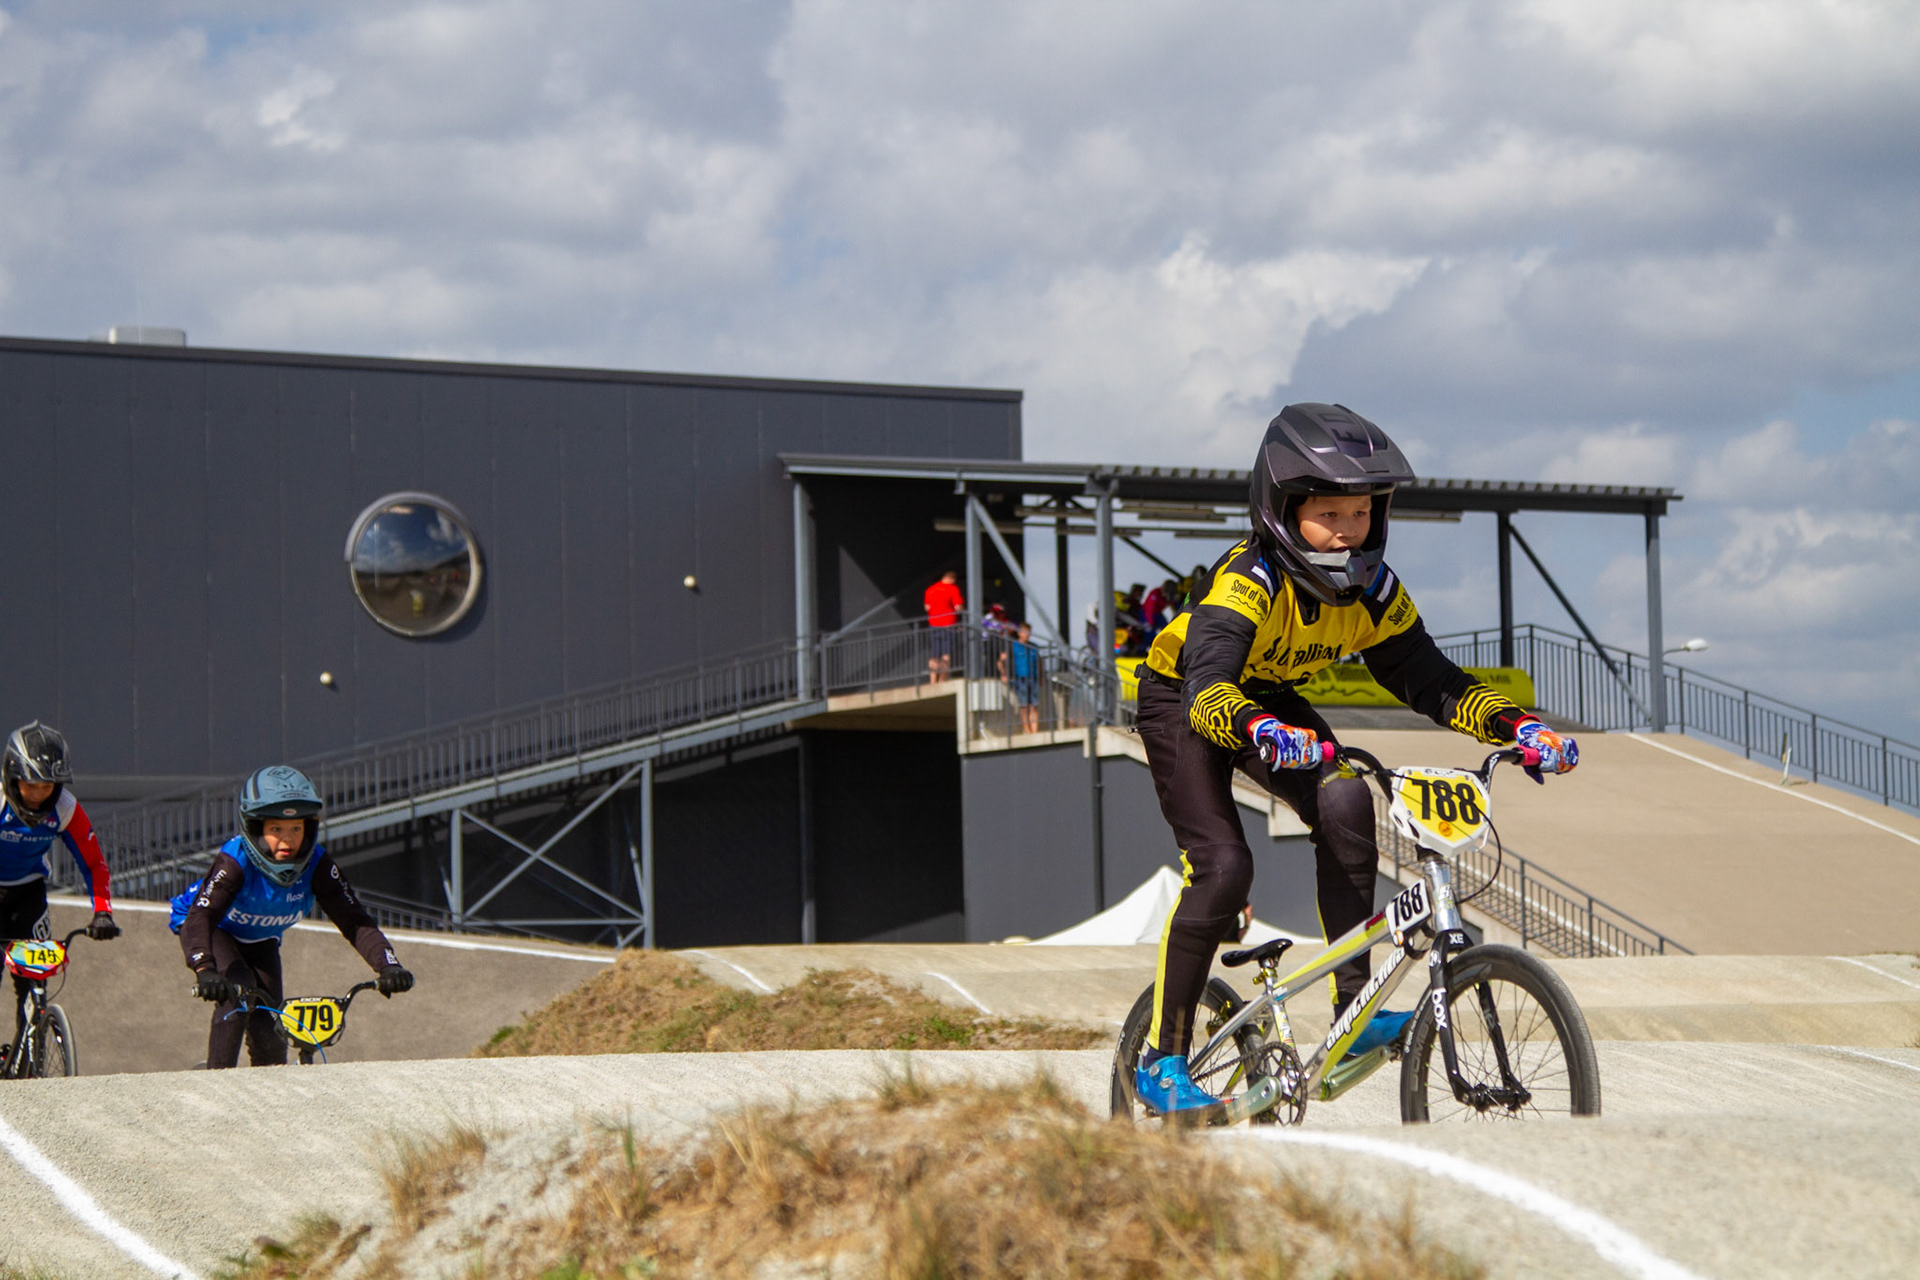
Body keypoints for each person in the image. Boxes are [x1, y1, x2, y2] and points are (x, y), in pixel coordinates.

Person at [1132, 403, 1579, 1116]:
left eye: (1362, 512)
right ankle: (1163, 1059)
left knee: (1345, 796)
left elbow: (1433, 682)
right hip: (1183, 700)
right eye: (1329, 513)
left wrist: (1518, 726)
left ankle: (1354, 1014)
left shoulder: (1374, 589)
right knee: (1223, 868)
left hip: (1269, 699)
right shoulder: (1249, 580)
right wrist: (1256, 727)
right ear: (1283, 510)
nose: (1347, 529)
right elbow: (1207, 686)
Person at [174, 765, 413, 1069]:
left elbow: (355, 921)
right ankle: (215, 1080)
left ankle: (272, 1086)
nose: (287, 842)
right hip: (211, 928)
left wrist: (388, 965)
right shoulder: (235, 861)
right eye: (276, 830)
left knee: (273, 1024)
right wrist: (204, 968)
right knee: (238, 991)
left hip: (261, 937)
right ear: (255, 828)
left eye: (296, 830)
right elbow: (201, 916)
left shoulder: (318, 865)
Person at [0, 722, 116, 1054]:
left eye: (47, 786)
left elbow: (94, 864)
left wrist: (103, 913)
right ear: (12, 778)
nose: (38, 795)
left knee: (34, 980)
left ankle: (30, 1056)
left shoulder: (65, 807)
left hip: (28, 894)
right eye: (30, 785)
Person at [1000, 620, 1043, 734]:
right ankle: (1027, 729)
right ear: (1019, 633)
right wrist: (1004, 674)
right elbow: (1001, 661)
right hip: (1020, 678)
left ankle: (1035, 730)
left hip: (1033, 678)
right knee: (1024, 706)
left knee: (1034, 705)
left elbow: (1039, 661)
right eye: (1024, 632)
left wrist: (1041, 676)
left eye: (1028, 632)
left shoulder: (1034, 647)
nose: (1026, 634)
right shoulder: (1013, 646)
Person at [923, 569, 965, 683]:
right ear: (952, 579)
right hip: (948, 624)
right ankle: (942, 680)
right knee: (946, 654)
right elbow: (958, 607)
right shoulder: (952, 589)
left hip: (933, 624)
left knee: (934, 654)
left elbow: (927, 607)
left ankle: (932, 681)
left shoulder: (930, 589)